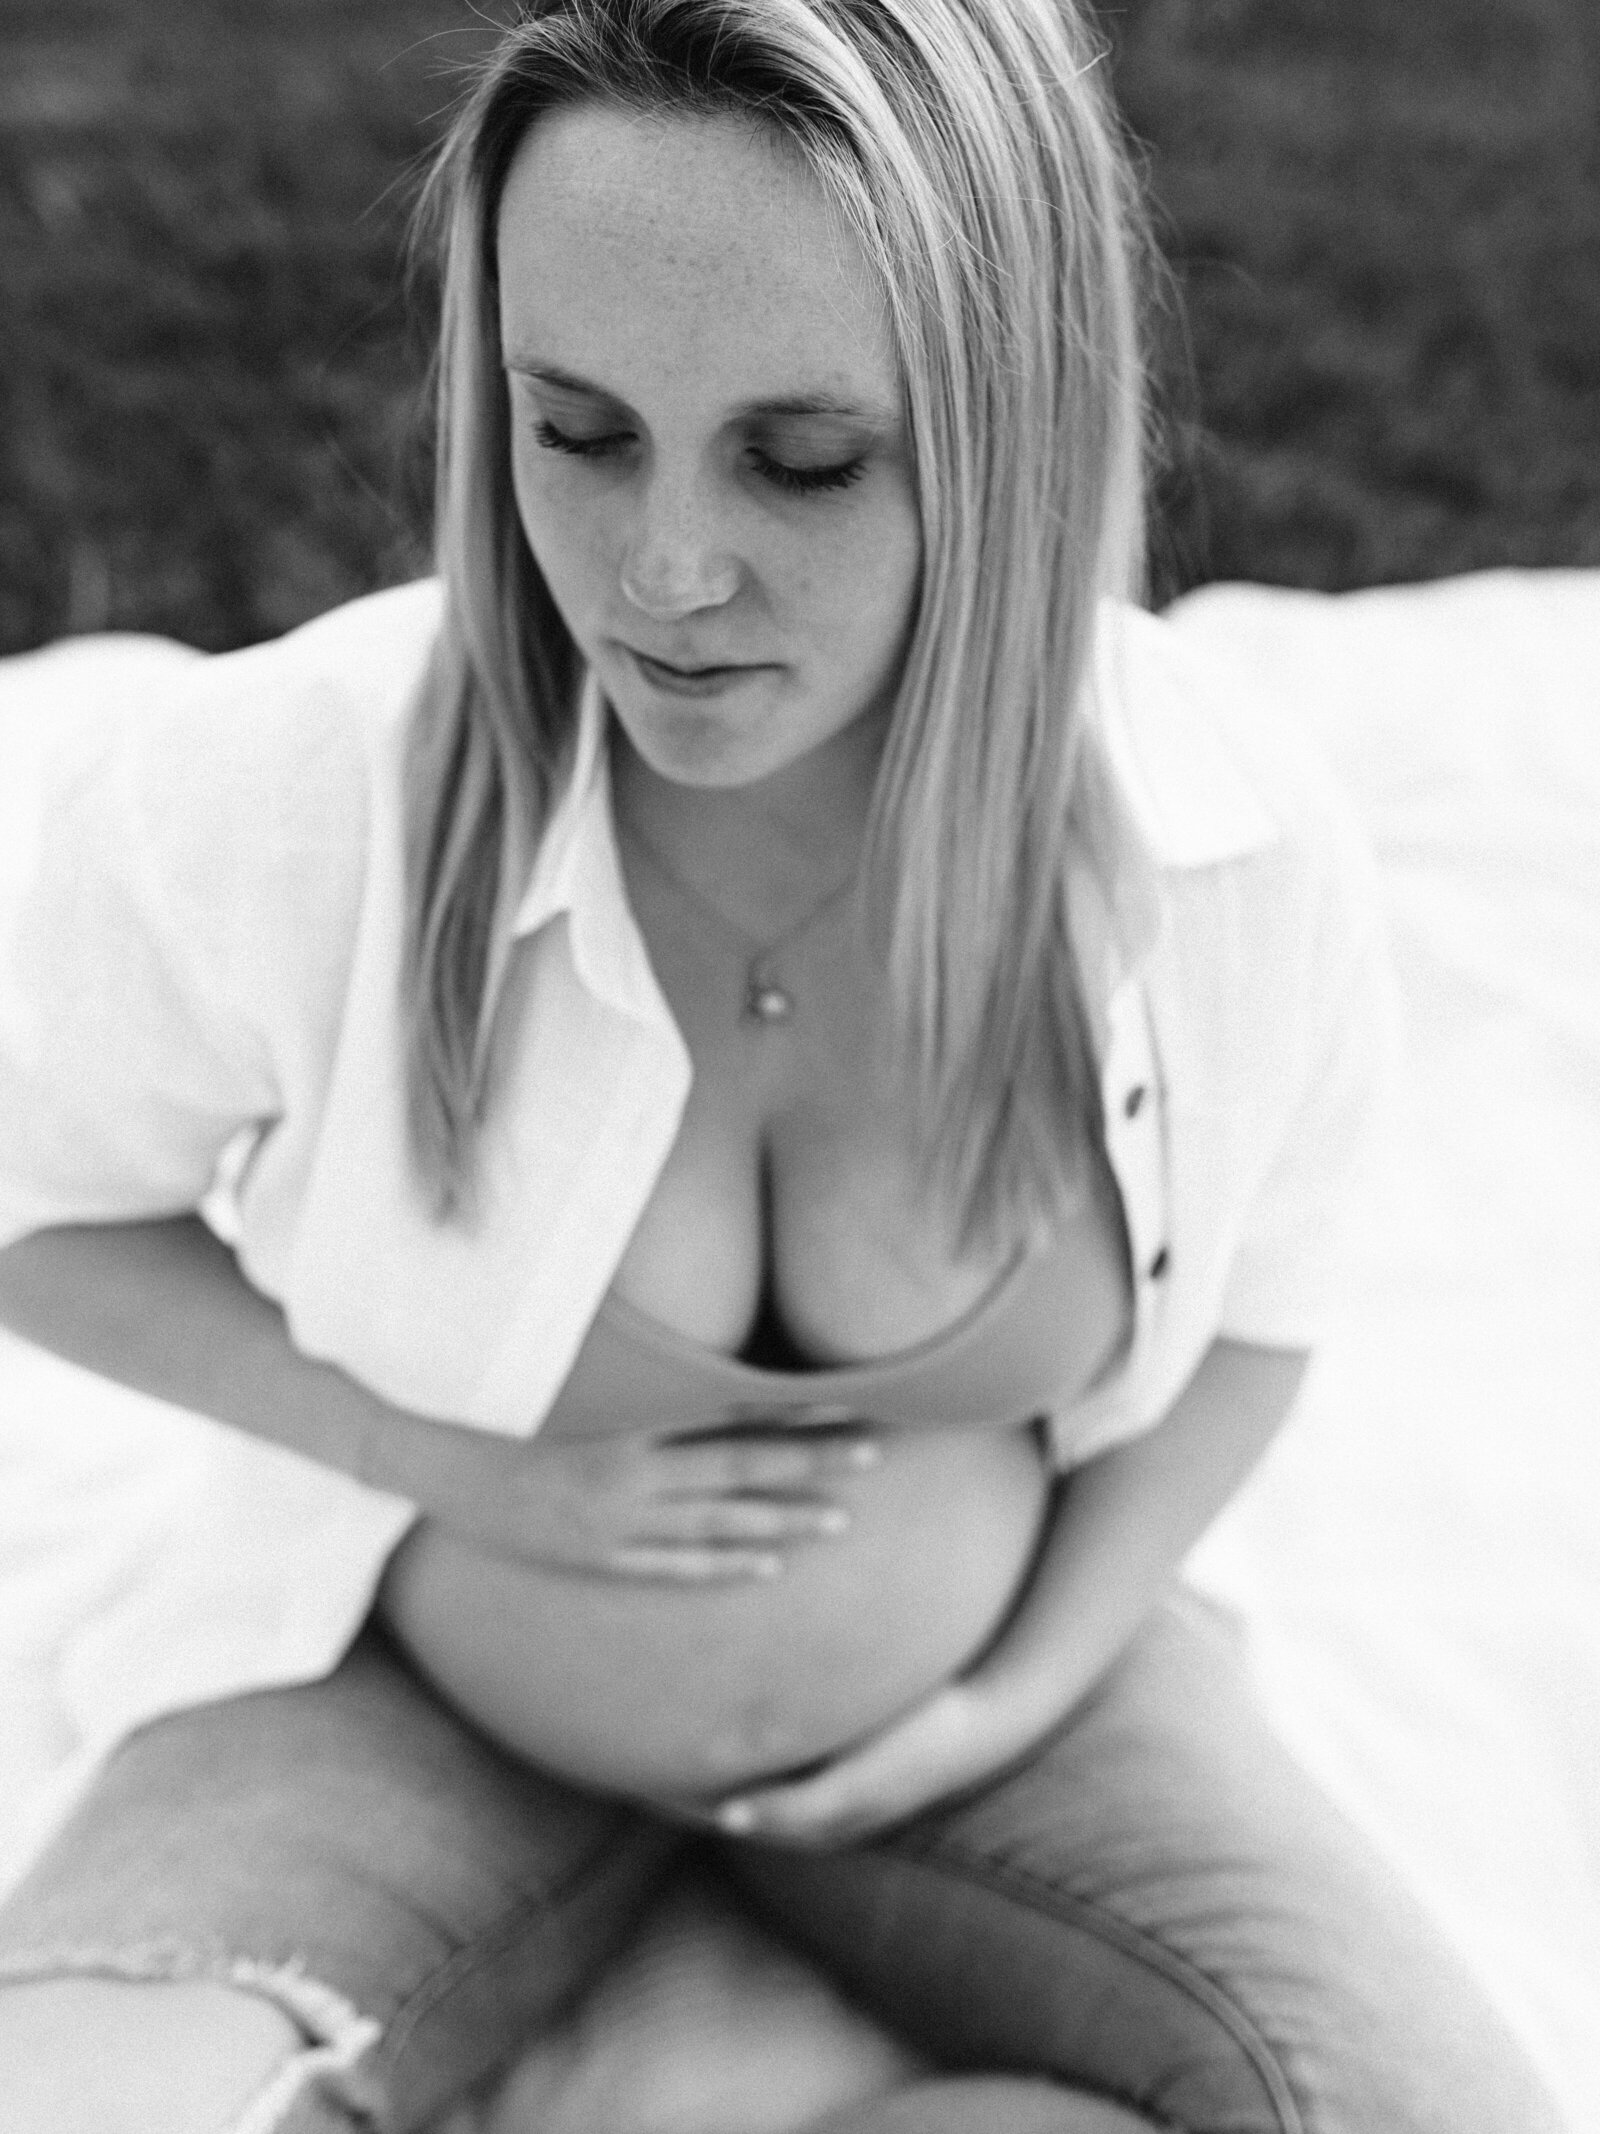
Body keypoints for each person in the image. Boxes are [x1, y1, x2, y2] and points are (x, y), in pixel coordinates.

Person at [0, 2, 1570, 2130]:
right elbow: (29, 1196)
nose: (660, 573)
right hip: (403, 1695)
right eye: (575, 427)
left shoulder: (1215, 841)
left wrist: (1016, 1683)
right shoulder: (306, 783)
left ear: (1001, 420)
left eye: (799, 458)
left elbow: (1257, 1324)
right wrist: (453, 1461)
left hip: (986, 1720)